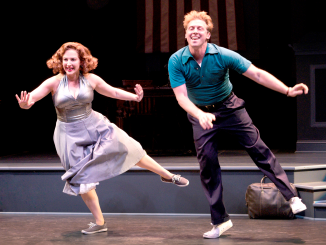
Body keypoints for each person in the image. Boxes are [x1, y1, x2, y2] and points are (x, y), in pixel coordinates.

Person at [15, 42, 189, 235]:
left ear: (82, 61)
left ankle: (167, 175)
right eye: (65, 60)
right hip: (68, 135)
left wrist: (135, 97)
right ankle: (100, 222)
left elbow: (112, 91)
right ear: (60, 61)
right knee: (81, 178)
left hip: (94, 125)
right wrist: (25, 104)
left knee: (128, 147)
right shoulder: (54, 82)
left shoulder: (90, 79)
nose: (68, 63)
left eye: (73, 59)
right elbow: (31, 98)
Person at [168, 10, 308, 239]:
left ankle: (291, 196)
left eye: (199, 28)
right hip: (199, 112)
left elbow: (257, 75)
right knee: (208, 165)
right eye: (190, 29)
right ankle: (220, 221)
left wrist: (287, 90)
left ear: (208, 35)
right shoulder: (176, 60)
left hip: (229, 107)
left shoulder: (222, 55)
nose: (195, 32)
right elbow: (181, 97)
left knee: (258, 149)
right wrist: (199, 114)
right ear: (185, 35)